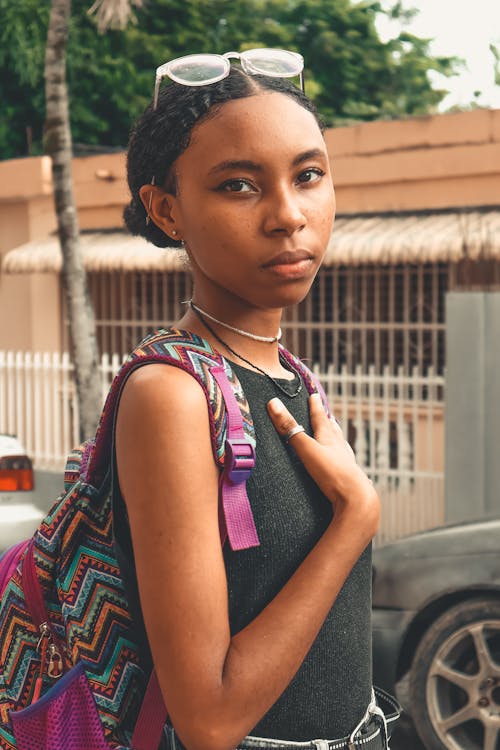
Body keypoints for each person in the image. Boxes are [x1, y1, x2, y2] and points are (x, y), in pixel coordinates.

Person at [118, 50, 388, 750]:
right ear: (167, 209)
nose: (289, 216)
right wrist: (354, 519)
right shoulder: (171, 395)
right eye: (239, 186)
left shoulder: (291, 376)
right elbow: (208, 719)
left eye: (308, 176)